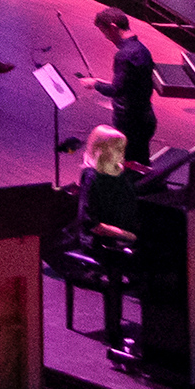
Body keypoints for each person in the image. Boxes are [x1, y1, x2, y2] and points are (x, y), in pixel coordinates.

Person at [72, 124, 143, 339]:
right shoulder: (91, 178)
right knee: (117, 265)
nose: (122, 155)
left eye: (122, 149)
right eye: (117, 149)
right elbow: (91, 223)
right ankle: (113, 329)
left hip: (121, 235)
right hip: (98, 241)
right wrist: (127, 235)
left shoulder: (119, 173)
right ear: (101, 150)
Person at [97, 9, 159, 157]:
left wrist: (95, 84)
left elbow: (115, 90)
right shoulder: (141, 49)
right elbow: (132, 84)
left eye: (105, 33)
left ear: (113, 27)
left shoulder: (124, 55)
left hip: (131, 123)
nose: (107, 38)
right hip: (144, 118)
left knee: (130, 167)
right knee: (140, 163)